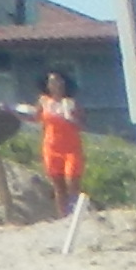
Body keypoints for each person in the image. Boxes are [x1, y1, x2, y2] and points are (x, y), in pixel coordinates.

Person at [34, 66, 88, 217]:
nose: (54, 85)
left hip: (71, 147)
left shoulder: (71, 103)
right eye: (51, 82)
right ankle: (63, 216)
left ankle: (75, 214)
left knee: (72, 181)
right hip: (51, 147)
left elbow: (82, 124)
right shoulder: (44, 102)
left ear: (64, 83)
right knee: (58, 185)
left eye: (57, 81)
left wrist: (70, 118)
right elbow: (34, 117)